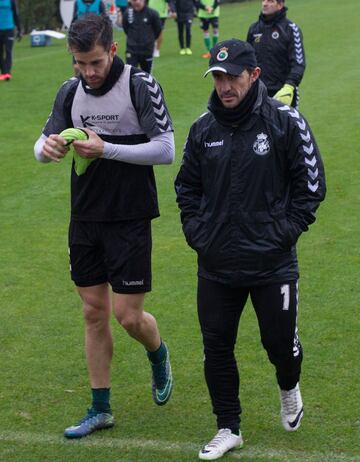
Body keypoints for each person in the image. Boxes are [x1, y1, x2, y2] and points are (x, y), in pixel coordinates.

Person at [175, 39, 325, 460]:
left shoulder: (286, 121)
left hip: (272, 262)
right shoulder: (203, 129)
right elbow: (186, 187)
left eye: (233, 76)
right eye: (218, 77)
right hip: (216, 263)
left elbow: (310, 187)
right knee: (216, 345)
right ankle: (228, 427)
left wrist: (282, 234)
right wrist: (199, 234)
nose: (225, 85)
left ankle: (288, 387)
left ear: (254, 75)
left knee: (279, 344)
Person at [34, 13, 174, 439]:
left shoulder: (139, 84)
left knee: (128, 316)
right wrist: (50, 148)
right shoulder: (70, 91)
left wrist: (106, 148)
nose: (88, 72)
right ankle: (100, 407)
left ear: (112, 49)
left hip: (129, 216)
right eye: (79, 63)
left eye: (94, 62)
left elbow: (166, 149)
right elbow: (40, 146)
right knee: (93, 312)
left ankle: (158, 352)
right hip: (85, 217)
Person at [247, 0, 305, 108]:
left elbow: (298, 63)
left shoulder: (291, 29)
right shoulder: (253, 29)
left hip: (283, 92)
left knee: (285, 125)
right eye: (263, 0)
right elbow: (248, 61)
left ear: (280, 5)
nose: (264, 4)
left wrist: (289, 86)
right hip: (258, 92)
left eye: (270, 1)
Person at [122, 0, 162, 73]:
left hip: (147, 50)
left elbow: (158, 30)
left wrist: (149, 40)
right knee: (130, 75)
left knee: (147, 76)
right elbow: (125, 28)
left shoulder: (152, 13)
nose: (137, 2)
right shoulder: (127, 13)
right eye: (134, 0)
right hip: (131, 50)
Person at [0, 0, 21, 81]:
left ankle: (7, 72)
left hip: (9, 29)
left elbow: (16, 15)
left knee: (8, 51)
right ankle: (3, 72)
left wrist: (19, 30)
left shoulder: (11, 1)